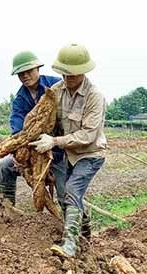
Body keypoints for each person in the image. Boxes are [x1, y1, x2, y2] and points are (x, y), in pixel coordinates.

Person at [29, 43, 107, 258]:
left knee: (72, 189)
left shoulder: (94, 97)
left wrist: (53, 142)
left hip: (90, 154)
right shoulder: (55, 91)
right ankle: (85, 234)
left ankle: (70, 246)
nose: (69, 77)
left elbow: (88, 136)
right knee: (65, 195)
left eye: (73, 74)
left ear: (84, 71)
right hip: (67, 154)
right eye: (65, 73)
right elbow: (43, 118)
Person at [0, 51, 65, 207]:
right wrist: (20, 144)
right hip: (31, 148)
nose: (25, 76)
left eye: (29, 71)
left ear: (38, 69)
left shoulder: (56, 85)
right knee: (4, 166)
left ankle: (81, 225)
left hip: (58, 149)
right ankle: (8, 208)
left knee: (66, 193)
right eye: (21, 73)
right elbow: (17, 127)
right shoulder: (20, 99)